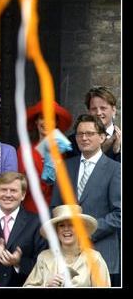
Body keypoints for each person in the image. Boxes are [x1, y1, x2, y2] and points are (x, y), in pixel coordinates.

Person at [51, 114, 120, 286]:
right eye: (80, 134)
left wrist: (87, 231)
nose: (84, 138)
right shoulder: (65, 167)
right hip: (67, 256)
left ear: (102, 137)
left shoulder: (115, 169)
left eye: (89, 133)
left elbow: (119, 214)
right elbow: (55, 207)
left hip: (102, 253)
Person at [24, 204, 110, 287]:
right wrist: (46, 285)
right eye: (61, 225)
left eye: (71, 224)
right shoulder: (44, 257)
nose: (66, 229)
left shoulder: (94, 258)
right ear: (56, 231)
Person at [17, 100, 73, 213]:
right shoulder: (25, 150)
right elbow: (20, 185)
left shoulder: (63, 151)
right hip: (30, 211)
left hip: (55, 212)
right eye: (42, 117)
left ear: (56, 123)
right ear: (36, 121)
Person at [66, 86, 121, 162]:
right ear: (89, 112)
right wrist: (105, 148)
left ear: (114, 110)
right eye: (94, 109)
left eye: (103, 108)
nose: (98, 113)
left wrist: (117, 152)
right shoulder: (75, 140)